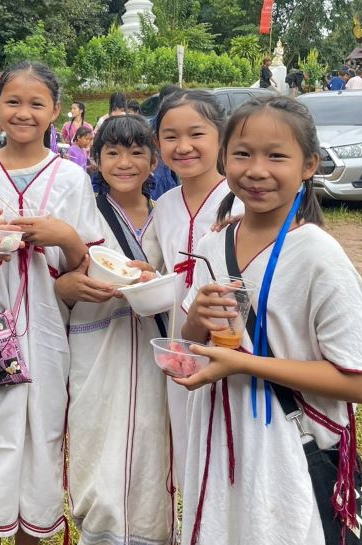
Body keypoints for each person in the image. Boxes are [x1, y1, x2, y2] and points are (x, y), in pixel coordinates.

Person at [174, 95, 362, 545]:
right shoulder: (215, 243)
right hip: (218, 440)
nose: (256, 171)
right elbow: (195, 339)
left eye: (276, 156)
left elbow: (360, 382)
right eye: (242, 154)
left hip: (282, 450)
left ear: (309, 165)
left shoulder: (318, 256)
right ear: (224, 160)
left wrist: (247, 365)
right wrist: (196, 319)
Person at [0, 61, 102, 545]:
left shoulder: (70, 179)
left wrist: (64, 237)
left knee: (43, 449)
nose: (23, 113)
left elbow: (84, 265)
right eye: (12, 102)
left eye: (36, 103)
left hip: (48, 337)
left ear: (55, 111)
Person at [56, 114, 175, 545]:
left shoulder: (170, 217)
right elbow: (54, 287)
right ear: (95, 160)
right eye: (112, 153)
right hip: (95, 359)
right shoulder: (82, 215)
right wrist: (70, 289)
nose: (124, 163)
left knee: (153, 478)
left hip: (155, 368)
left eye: (136, 153)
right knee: (98, 480)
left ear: (154, 161)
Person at [153, 89, 242, 490]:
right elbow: (161, 271)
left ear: (221, 138)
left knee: (230, 454)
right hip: (179, 346)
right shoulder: (164, 204)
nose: (183, 146)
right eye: (170, 136)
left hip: (232, 349)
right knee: (187, 458)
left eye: (196, 134)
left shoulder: (240, 201)